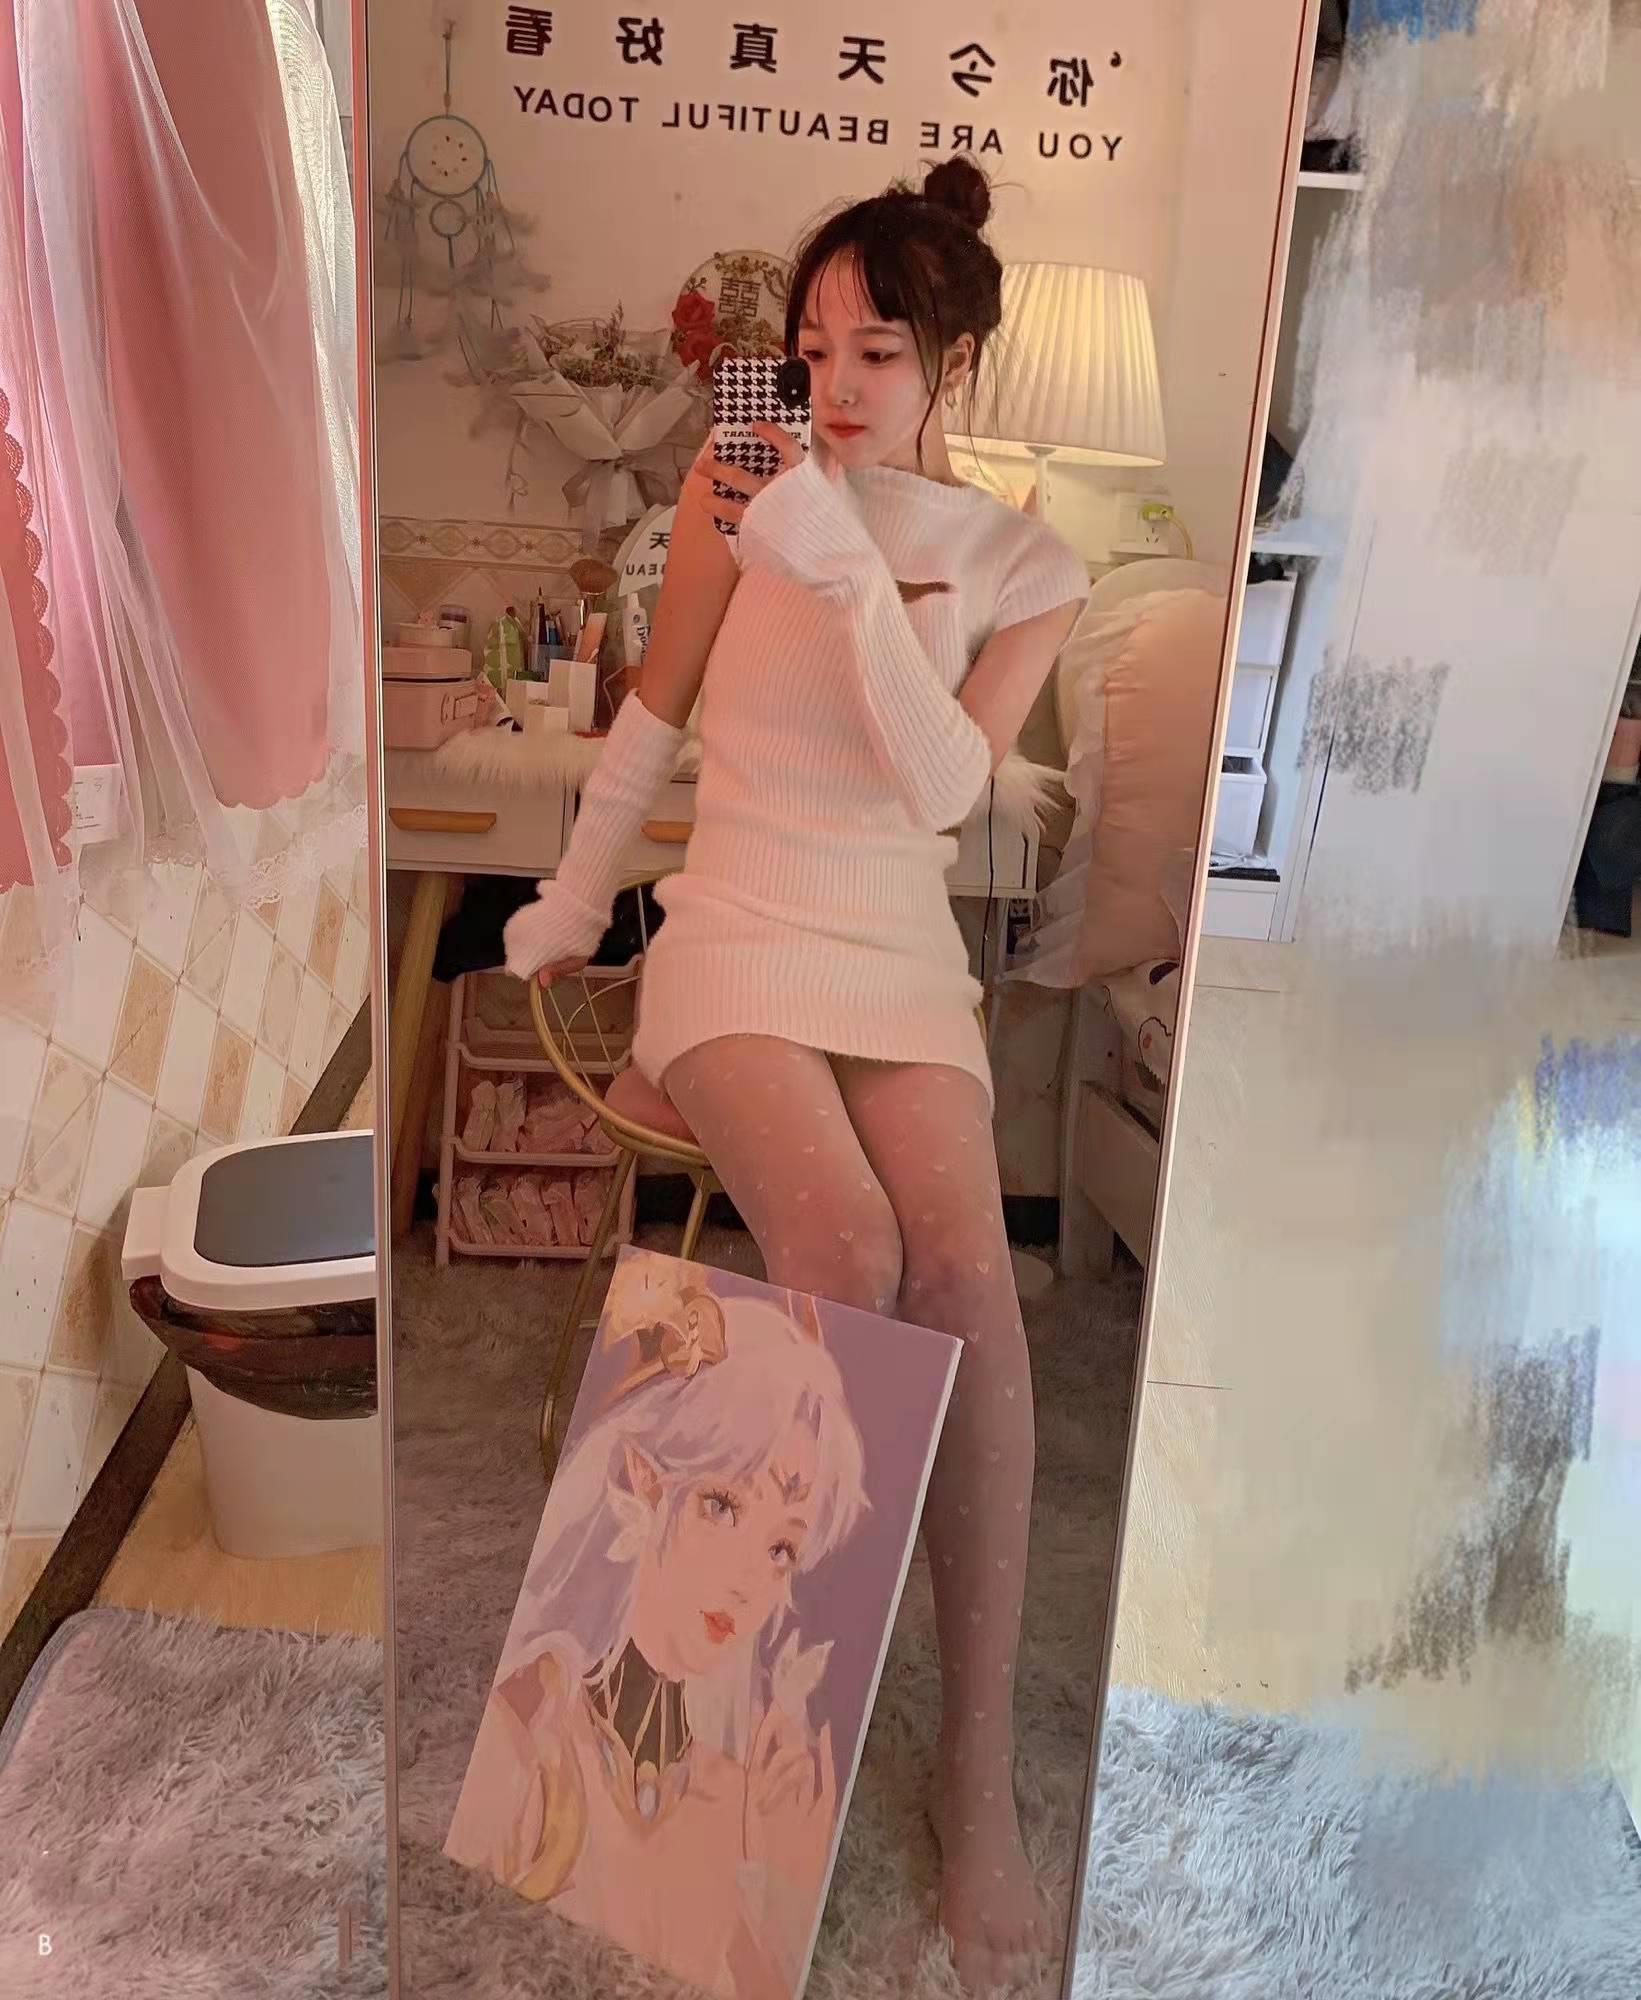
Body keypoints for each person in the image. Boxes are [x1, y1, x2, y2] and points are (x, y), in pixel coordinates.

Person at [502, 154, 1090, 1991]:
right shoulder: (732, 488)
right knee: (840, 1247)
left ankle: (970, 1775)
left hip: (894, 941)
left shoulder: (1027, 563)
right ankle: (686, 1738)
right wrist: (576, 898)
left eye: (879, 352)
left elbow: (943, 790)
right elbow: (655, 711)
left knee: (968, 1272)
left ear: (954, 366)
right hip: (742, 917)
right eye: (814, 348)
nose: (836, 386)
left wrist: (851, 583)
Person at [445, 1273, 868, 2000]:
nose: (748, 1581)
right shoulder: (533, 1735)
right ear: (645, 1480)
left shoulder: (735, 1793)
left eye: (781, 1549)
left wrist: (786, 1877)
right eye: (723, 1505)